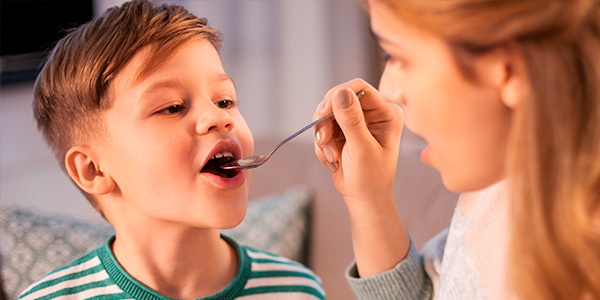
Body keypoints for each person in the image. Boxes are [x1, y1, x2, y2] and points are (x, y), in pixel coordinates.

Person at [20, 0, 325, 299]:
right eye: (172, 107)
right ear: (93, 169)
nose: (219, 117)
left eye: (225, 101)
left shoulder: (296, 290)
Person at [313, 0, 600, 299]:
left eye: (397, 56)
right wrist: (371, 201)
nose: (388, 89)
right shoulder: (494, 190)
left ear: (509, 68)